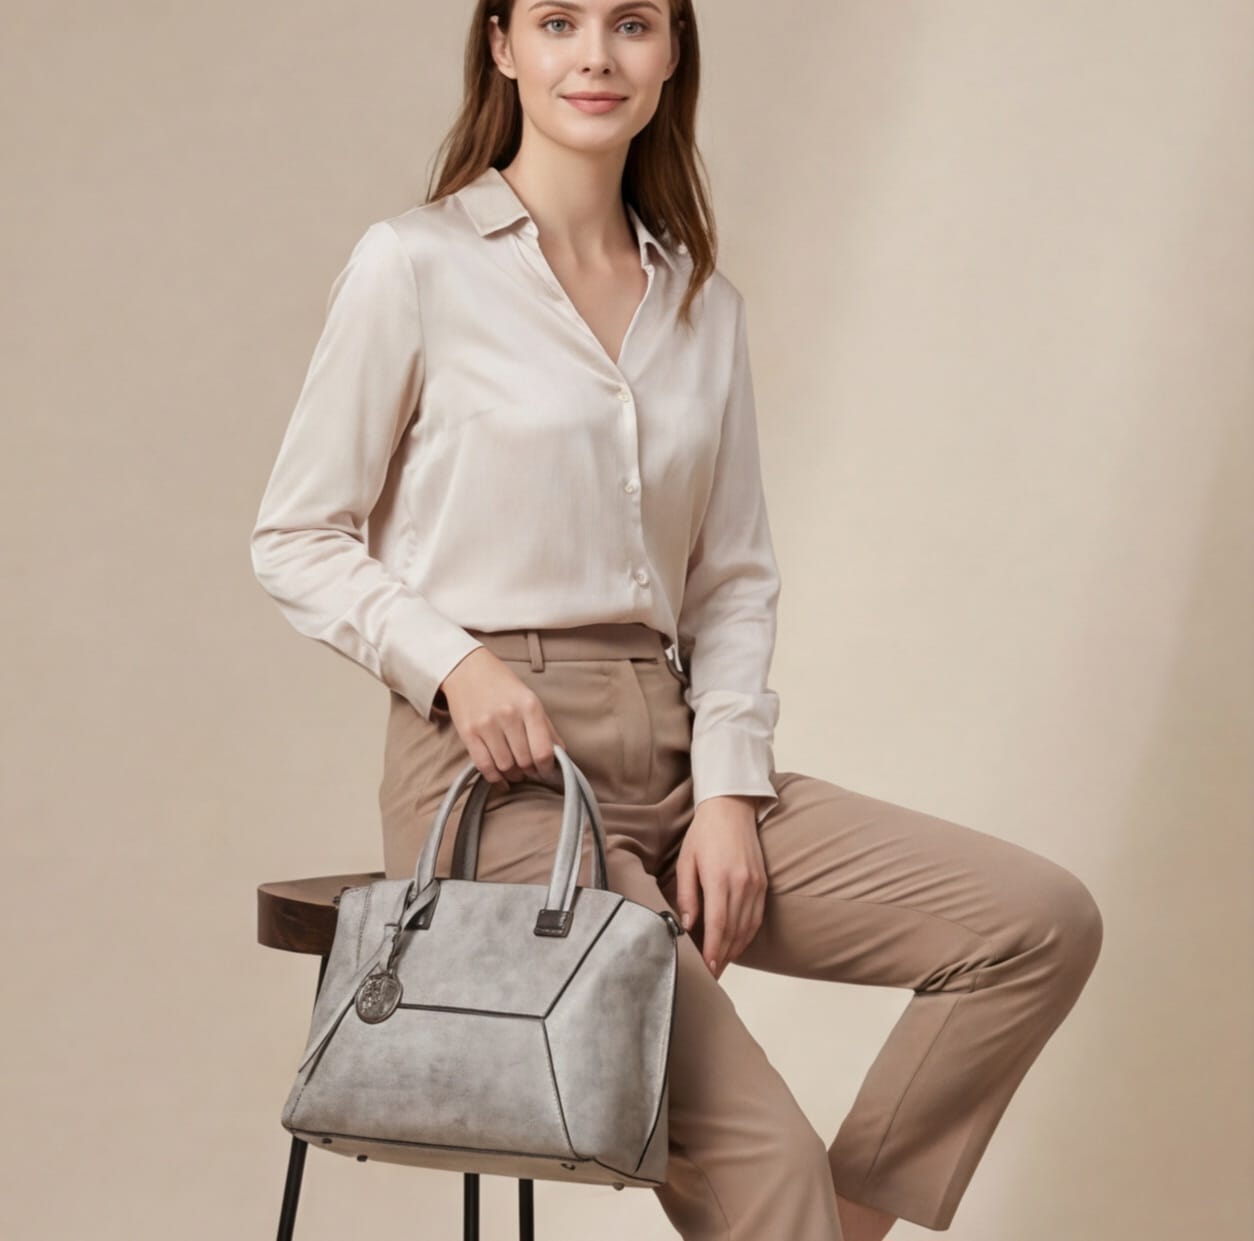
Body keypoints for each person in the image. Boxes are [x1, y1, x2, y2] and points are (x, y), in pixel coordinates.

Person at [249, 3, 1104, 1237]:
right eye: (558, 21)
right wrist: (455, 665)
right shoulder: (416, 262)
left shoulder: (702, 302)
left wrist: (725, 790)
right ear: (501, 46)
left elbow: (732, 582)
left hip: (676, 736)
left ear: (670, 56)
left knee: (1033, 922)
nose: (596, 54)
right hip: (499, 781)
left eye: (633, 23)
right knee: (764, 1162)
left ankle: (839, 1223)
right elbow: (296, 535)